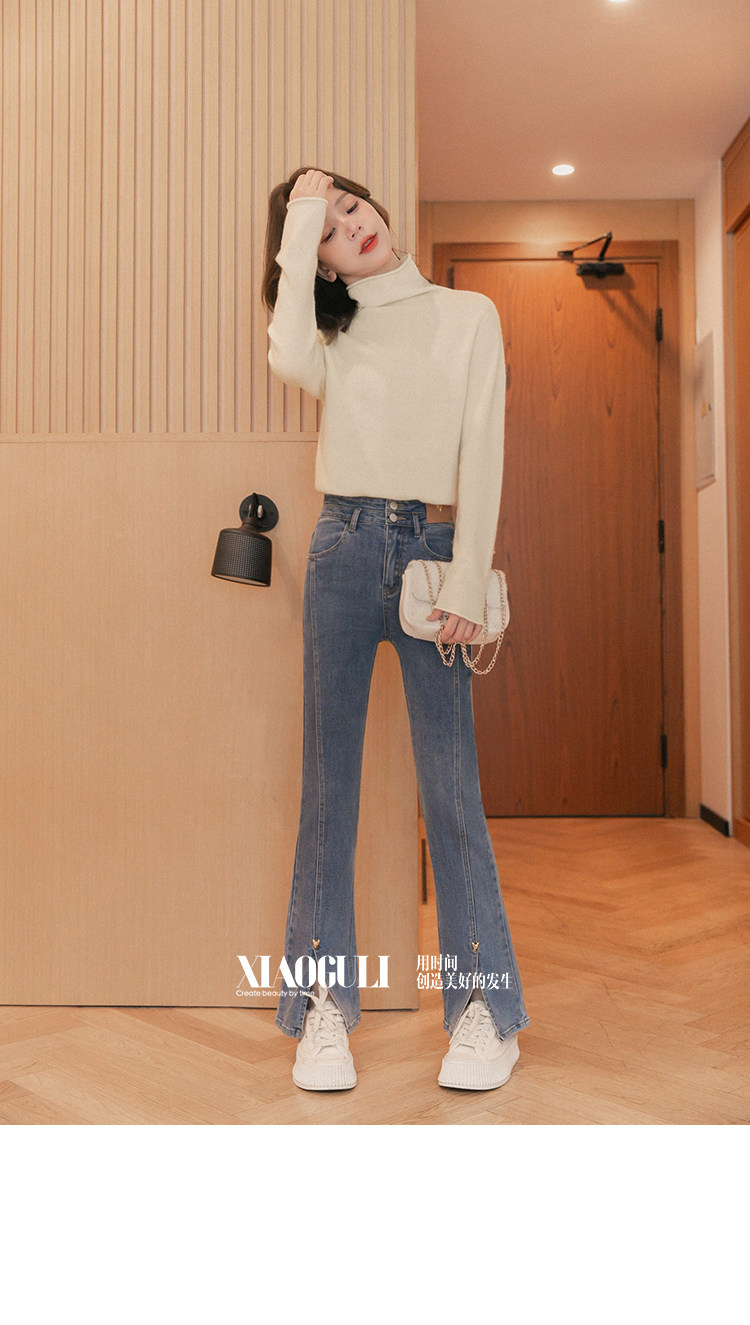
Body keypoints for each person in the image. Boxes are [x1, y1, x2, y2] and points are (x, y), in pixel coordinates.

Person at [261, 166, 529, 1093]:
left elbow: (484, 445)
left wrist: (469, 574)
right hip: (340, 545)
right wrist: (299, 219)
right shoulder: (329, 335)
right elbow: (285, 353)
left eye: (351, 204)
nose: (354, 224)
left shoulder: (469, 314)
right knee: (328, 790)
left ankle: (483, 1008)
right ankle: (323, 1008)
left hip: (432, 552)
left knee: (450, 789)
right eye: (330, 227)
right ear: (321, 260)